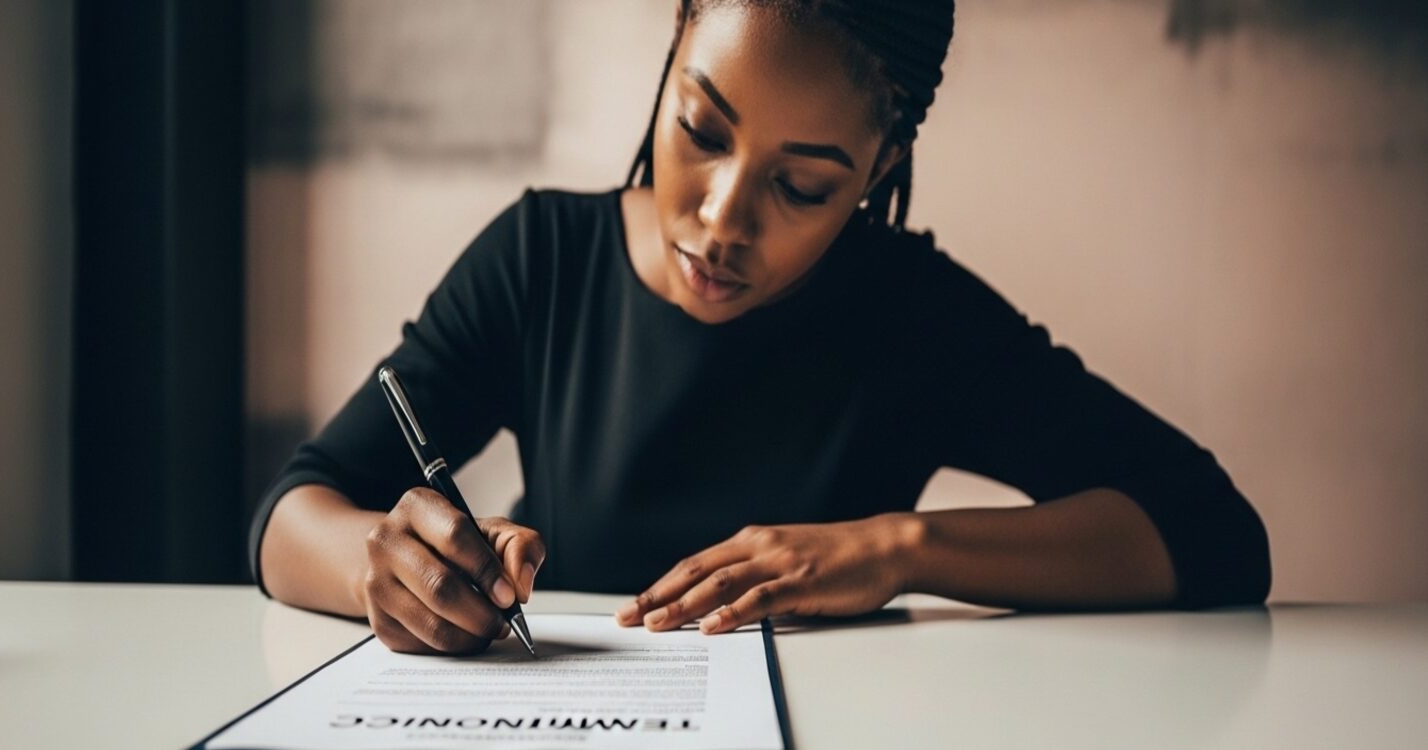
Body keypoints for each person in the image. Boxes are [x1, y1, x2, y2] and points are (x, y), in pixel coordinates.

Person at [250, 0, 1271, 655]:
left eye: (802, 186)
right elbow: (294, 513)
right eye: (700, 131)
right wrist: (388, 571)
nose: (721, 221)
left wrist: (901, 550)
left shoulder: (911, 315)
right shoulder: (543, 260)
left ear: (876, 173)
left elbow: (1215, 534)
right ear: (674, 47)